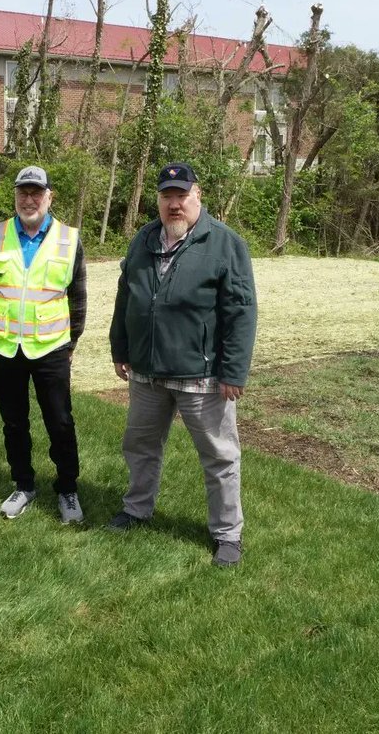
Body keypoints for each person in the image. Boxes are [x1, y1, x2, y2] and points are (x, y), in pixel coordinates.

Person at [107, 162, 257, 566]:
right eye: (166, 196)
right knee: (139, 446)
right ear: (157, 200)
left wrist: (233, 370)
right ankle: (137, 508)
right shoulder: (143, 240)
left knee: (219, 456)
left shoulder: (225, 243)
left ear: (198, 196)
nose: (174, 205)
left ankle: (227, 534)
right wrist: (120, 348)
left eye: (181, 196)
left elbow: (241, 310)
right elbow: (127, 297)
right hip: (146, 372)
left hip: (202, 376)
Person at [0, 165, 87, 524]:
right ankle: (24, 485)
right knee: (14, 423)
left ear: (49, 196)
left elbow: (77, 297)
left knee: (59, 422)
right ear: (15, 196)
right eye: (22, 193)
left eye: (36, 193)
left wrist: (70, 344)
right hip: (3, 346)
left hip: (51, 349)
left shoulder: (68, 239)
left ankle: (68, 489)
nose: (29, 200)